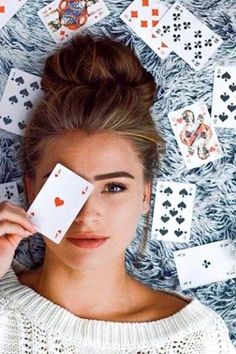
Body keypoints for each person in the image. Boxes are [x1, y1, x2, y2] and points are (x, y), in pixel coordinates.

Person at [0, 35, 235, 353]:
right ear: (31, 189)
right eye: (66, 185)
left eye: (114, 187)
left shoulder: (199, 340)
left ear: (145, 195)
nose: (87, 214)